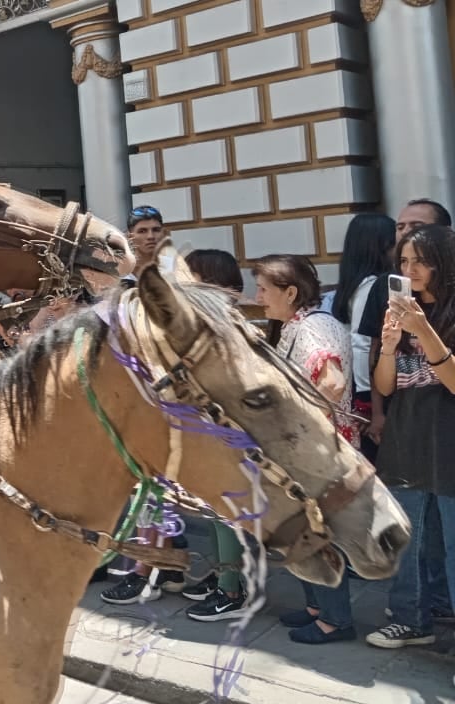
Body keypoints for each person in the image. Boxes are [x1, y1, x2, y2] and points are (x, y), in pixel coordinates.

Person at [247, 255, 357, 643]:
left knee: (317, 534)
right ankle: (318, 608)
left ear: (290, 292)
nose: (257, 296)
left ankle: (335, 619)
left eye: (263, 288)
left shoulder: (311, 328)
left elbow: (332, 383)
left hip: (318, 455)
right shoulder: (302, 324)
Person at [356, 199, 455, 621]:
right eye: (404, 260)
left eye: (420, 262)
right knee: (407, 537)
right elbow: (385, 386)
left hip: (447, 441)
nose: (409, 271)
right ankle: (410, 619)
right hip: (406, 438)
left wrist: (424, 331)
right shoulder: (396, 308)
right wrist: (391, 348)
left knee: (451, 545)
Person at [174, 250, 253, 620]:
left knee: (227, 512)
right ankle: (225, 578)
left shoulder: (226, 320)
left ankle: (232, 590)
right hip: (210, 425)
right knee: (216, 510)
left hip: (229, 428)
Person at [322, 214, 394, 462]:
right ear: (381, 245)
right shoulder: (370, 284)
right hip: (364, 387)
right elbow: (362, 341)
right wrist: (367, 400)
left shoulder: (353, 282)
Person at [127, 205, 167, 273]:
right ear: (130, 237)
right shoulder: (121, 271)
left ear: (163, 234)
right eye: (142, 231)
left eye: (156, 230)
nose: (150, 236)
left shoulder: (176, 268)